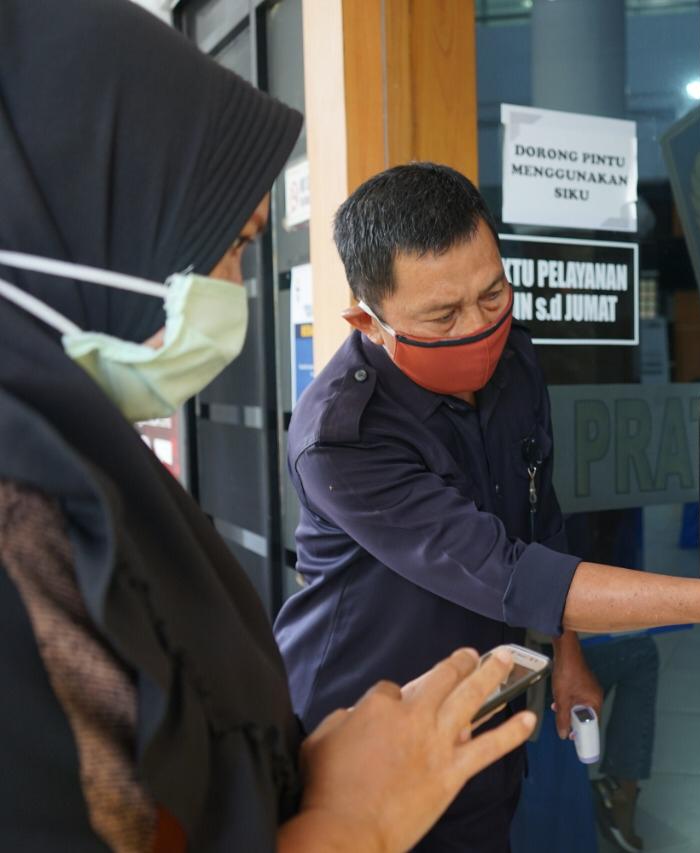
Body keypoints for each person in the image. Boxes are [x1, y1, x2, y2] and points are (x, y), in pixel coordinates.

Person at [0, 1, 533, 849]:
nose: (233, 287)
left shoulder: (80, 471)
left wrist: (303, 776)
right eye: (232, 245)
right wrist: (349, 823)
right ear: (94, 231)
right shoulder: (23, 526)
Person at [273, 162, 700, 851]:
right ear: (367, 322)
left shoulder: (513, 362)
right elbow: (510, 573)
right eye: (443, 316)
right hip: (361, 742)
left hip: (483, 714)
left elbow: (537, 516)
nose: (478, 327)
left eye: (493, 294)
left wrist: (567, 651)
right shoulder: (344, 437)